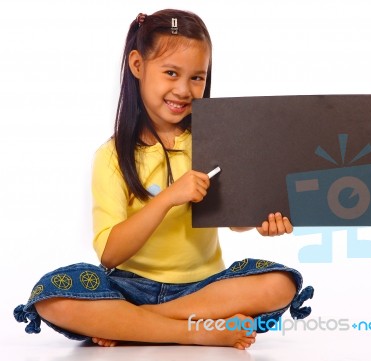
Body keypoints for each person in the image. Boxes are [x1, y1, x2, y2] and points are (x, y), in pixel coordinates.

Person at [14, 9, 314, 350]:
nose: (184, 90)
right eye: (171, 73)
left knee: (280, 284)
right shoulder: (112, 156)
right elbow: (110, 254)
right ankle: (191, 331)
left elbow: (233, 219)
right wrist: (169, 197)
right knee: (51, 296)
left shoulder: (214, 141)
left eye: (197, 78)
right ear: (138, 65)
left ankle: (136, 323)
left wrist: (261, 221)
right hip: (129, 286)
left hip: (204, 288)